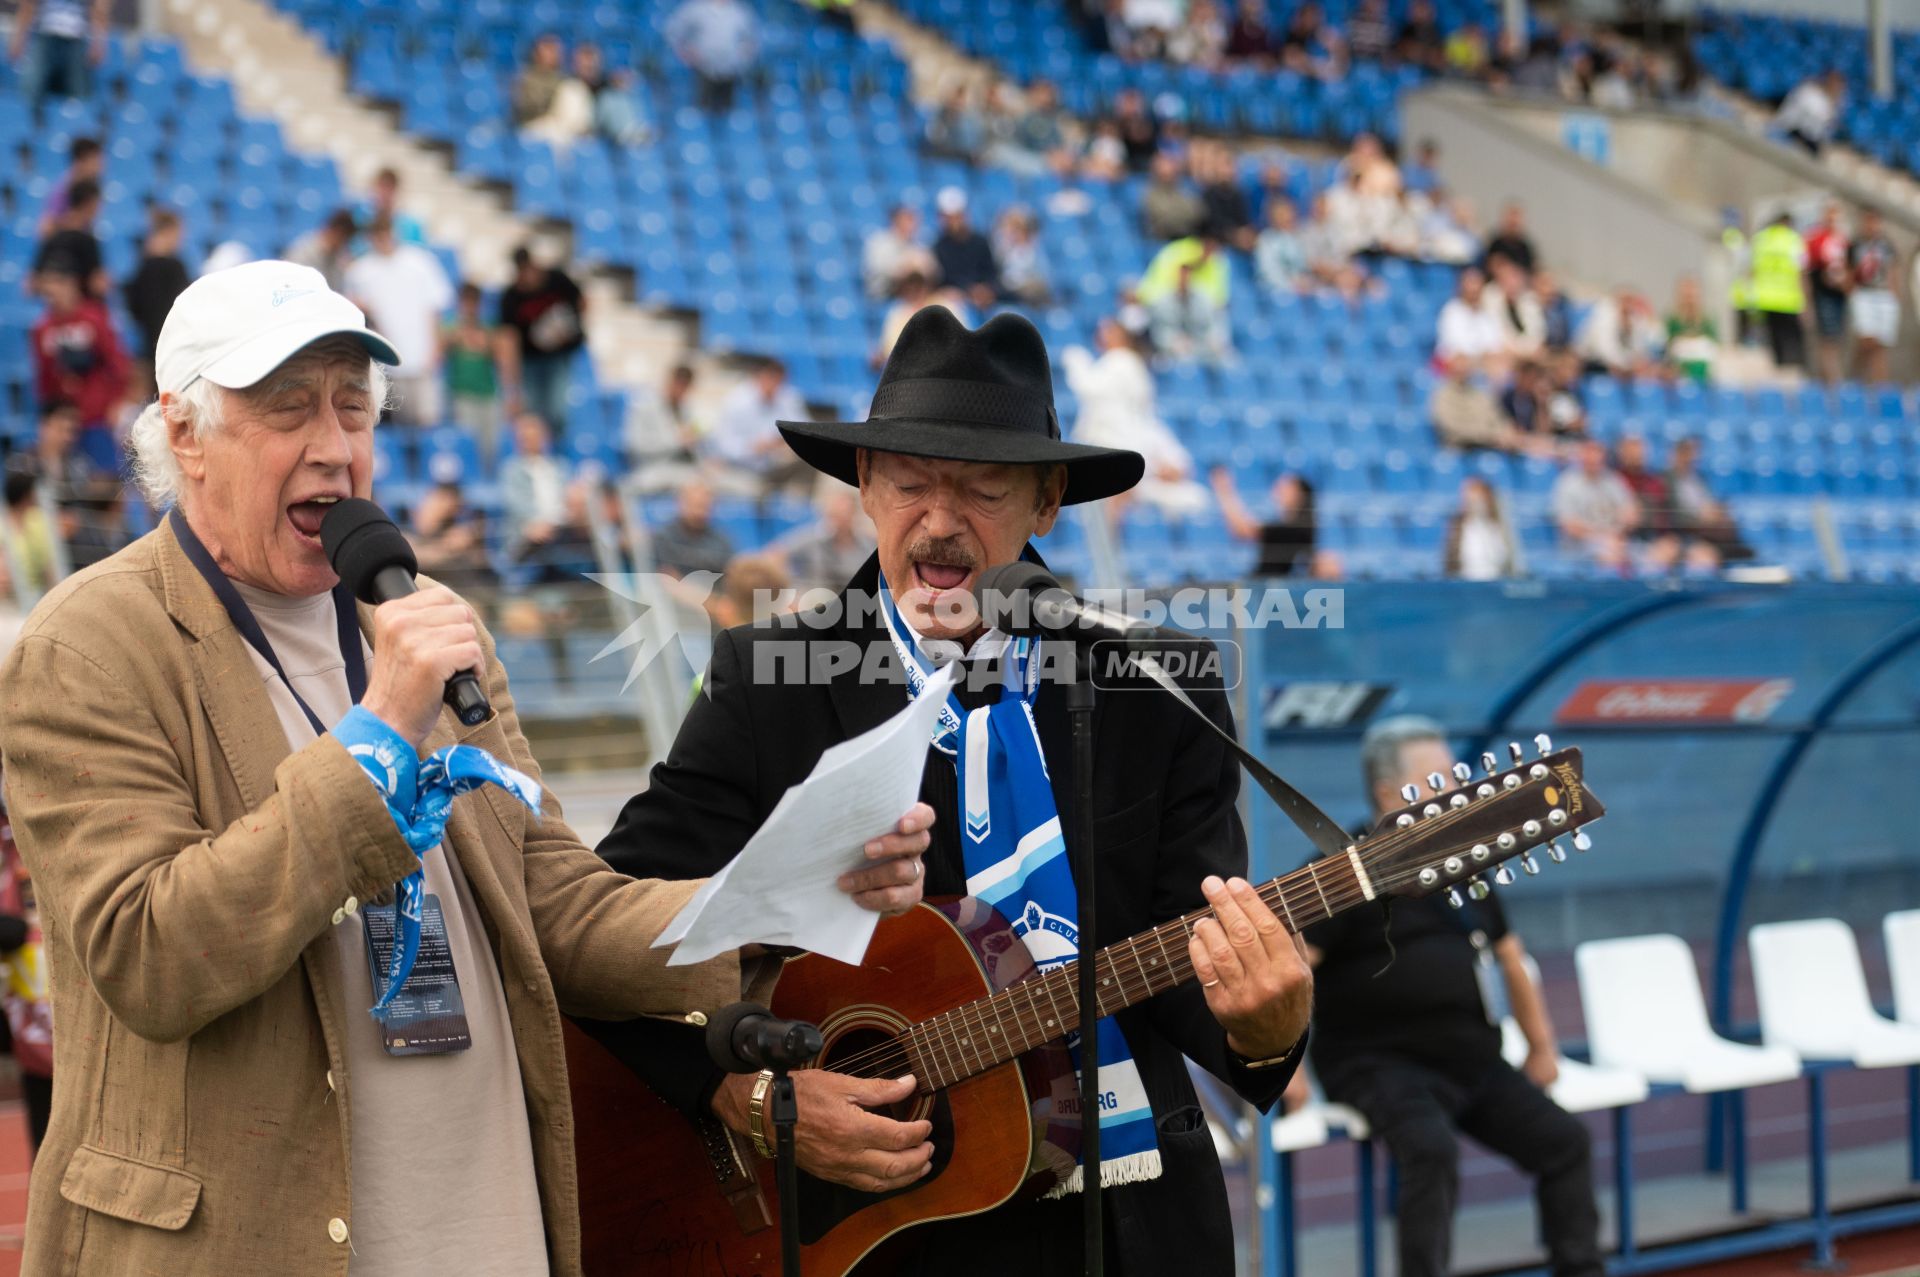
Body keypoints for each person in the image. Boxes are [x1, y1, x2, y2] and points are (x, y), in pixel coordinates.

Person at [0, 258, 931, 1275]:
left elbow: (558, 905)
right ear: (185, 433)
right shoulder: (88, 644)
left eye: (355, 410)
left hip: (488, 1234)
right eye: (287, 410)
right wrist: (381, 732)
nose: (335, 447)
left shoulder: (427, 625)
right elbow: (153, 955)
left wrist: (772, 897)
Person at [591, 305, 1311, 1275]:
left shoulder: (1154, 681)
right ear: (863, 486)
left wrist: (1266, 1027)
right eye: (911, 482)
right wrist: (750, 1099)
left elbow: (1194, 977)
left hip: (1132, 1234)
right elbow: (605, 934)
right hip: (875, 1239)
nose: (939, 522)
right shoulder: (768, 682)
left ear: (1047, 501)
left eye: (980, 488)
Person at [1284, 717, 1602, 1277]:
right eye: (1440, 781)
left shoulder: (1465, 863)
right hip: (1378, 1064)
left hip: (1472, 1060)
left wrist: (1542, 1047)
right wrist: (1290, 1071)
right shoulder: (1341, 874)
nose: (1457, 793)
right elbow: (1291, 971)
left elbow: (1509, 957)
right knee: (1430, 1152)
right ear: (1391, 795)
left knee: (1566, 1143)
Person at [1064, 318, 1210, 518]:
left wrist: (1075, 359)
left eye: (1109, 332)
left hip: (1129, 455)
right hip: (1113, 451)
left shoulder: (1121, 360)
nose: (1102, 336)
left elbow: (1088, 387)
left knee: (1194, 497)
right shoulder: (1121, 366)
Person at [345, 217, 456, 427]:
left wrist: (436, 349)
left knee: (427, 423)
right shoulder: (360, 271)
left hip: (422, 359)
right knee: (393, 425)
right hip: (385, 362)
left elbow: (436, 310)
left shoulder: (421, 263)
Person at [31, 265, 128, 463]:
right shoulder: (42, 328)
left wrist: (117, 400)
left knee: (102, 481)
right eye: (49, 288)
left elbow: (118, 362)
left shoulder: (94, 318)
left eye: (58, 284)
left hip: (96, 415)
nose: (53, 293)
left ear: (72, 285)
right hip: (63, 421)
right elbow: (44, 377)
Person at [496, 246, 587, 436]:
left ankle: (556, 456)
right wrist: (511, 381)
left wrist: (571, 327)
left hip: (558, 357)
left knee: (557, 411)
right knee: (533, 413)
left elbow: (582, 301)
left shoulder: (557, 280)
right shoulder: (511, 297)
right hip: (530, 361)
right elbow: (508, 338)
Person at [706, 357, 810, 493]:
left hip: (773, 466)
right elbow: (724, 445)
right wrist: (752, 448)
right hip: (739, 468)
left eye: (779, 381)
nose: (775, 386)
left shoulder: (787, 396)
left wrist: (781, 441)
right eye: (771, 378)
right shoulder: (737, 402)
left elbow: (804, 428)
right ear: (760, 377)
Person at [1138, 227, 1233, 365]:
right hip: (1169, 341)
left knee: (1226, 359)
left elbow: (1215, 315)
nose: (1185, 277)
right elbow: (1161, 328)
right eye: (1183, 272)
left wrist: (1213, 341)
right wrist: (1173, 342)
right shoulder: (1175, 253)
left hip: (1198, 343)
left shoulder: (1203, 295)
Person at [122, 207, 191, 393]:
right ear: (169, 232)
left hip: (149, 347)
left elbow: (133, 308)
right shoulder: (175, 267)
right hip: (173, 349)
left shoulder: (140, 268)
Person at [1551, 439, 1638, 569]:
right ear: (1582, 457)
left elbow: (1631, 513)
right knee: (1611, 557)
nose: (1594, 459)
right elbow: (1569, 526)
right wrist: (1603, 537)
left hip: (1615, 540)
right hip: (1580, 547)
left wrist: (1618, 532)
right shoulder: (1567, 483)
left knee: (1662, 552)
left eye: (1598, 454)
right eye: (1589, 454)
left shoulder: (1613, 480)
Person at [770, 483, 876, 589]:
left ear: (853, 514)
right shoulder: (810, 538)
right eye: (835, 514)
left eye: (845, 514)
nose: (840, 520)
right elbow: (775, 555)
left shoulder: (867, 544)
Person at [1212, 467, 1316, 575]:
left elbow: (1243, 530)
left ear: (1299, 494)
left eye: (1285, 487)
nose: (1278, 491)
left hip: (1270, 586)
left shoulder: (1295, 529)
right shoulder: (1296, 526)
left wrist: (1224, 490)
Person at [9, 0, 109, 108]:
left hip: (76, 39)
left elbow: (98, 10)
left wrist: (98, 43)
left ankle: (79, 120)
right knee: (31, 85)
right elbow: (28, 6)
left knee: (80, 90)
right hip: (45, 36)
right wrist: (19, 39)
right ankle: (28, 115)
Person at [665, 0, 759, 112]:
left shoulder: (740, 10)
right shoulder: (694, 8)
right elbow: (673, 31)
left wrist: (745, 53)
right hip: (703, 71)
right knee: (701, 112)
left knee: (730, 115)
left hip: (731, 73)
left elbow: (753, 38)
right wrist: (685, 52)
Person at [442, 282, 501, 455]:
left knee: (490, 445)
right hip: (462, 393)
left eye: (473, 302)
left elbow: (495, 352)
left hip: (488, 392)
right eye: (466, 302)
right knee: (467, 444)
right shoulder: (450, 326)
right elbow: (441, 350)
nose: (470, 307)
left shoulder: (490, 326)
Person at [1847, 208, 1900, 383]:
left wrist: (1894, 294)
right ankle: (1856, 379)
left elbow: (1893, 270)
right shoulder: (1856, 245)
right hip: (1864, 293)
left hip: (1883, 294)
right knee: (1866, 340)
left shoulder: (1886, 245)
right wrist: (1851, 291)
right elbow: (1850, 271)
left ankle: (1880, 386)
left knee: (1881, 345)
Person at [30, 176, 105, 299]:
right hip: (83, 312)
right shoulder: (88, 242)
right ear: (89, 204)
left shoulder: (51, 238)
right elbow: (98, 285)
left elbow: (33, 282)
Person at [1750, 211, 1808, 370]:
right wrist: (1805, 300)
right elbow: (1801, 272)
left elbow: (1753, 270)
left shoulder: (1762, 239)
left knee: (1774, 340)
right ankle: (1791, 372)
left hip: (1766, 298)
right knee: (1791, 340)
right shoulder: (1794, 240)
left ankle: (1779, 370)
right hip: (1789, 299)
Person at [931, 187, 1003, 311]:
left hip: (985, 300)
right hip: (957, 301)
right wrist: (966, 292)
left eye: (957, 216)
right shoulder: (938, 247)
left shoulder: (980, 242)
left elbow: (991, 274)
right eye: (949, 217)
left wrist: (986, 290)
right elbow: (942, 281)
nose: (954, 222)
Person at [649, 478, 735, 578]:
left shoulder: (721, 539)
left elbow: (731, 573)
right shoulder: (663, 537)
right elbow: (668, 579)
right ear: (680, 503)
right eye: (694, 505)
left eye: (704, 506)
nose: (699, 512)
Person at [1804, 201, 1850, 384]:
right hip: (1823, 293)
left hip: (1839, 294)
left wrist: (1845, 283)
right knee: (1827, 339)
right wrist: (1807, 299)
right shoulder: (1816, 240)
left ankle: (1830, 377)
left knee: (1836, 338)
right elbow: (1807, 271)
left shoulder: (1843, 240)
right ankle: (1833, 380)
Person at [1576, 288, 1665, 380]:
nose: (1628, 305)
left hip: (1620, 365)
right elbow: (1606, 352)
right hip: (1592, 364)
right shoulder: (1601, 318)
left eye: (1631, 301)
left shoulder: (1633, 320)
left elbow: (1638, 349)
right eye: (1625, 300)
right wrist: (1630, 365)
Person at [1435, 266, 1509, 378]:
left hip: (1484, 364)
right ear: (1461, 286)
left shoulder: (1487, 314)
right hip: (1458, 364)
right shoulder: (1451, 312)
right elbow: (1455, 349)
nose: (1475, 288)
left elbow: (1495, 346)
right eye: (1471, 283)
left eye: (1477, 283)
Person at [1443, 475, 1515, 579]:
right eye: (1469, 497)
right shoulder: (1457, 527)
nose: (1474, 502)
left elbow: (1507, 559)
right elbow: (1449, 563)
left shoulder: (1500, 526)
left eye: (1478, 497)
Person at [863, 204, 938, 301]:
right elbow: (875, 269)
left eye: (913, 220)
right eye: (908, 220)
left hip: (914, 294)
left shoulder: (919, 244)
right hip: (885, 295)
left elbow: (933, 270)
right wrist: (904, 267)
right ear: (896, 221)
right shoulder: (879, 242)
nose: (912, 225)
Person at [36, 135, 103, 238]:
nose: (100, 166)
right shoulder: (63, 190)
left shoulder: (91, 187)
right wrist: (73, 222)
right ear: (80, 160)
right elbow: (45, 229)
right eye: (96, 160)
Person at [284, 208, 359, 293]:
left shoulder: (338, 259)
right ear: (337, 232)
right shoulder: (303, 250)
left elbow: (337, 291)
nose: (344, 244)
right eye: (344, 238)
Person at [1774, 69, 1844, 156]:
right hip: (1786, 132)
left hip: (1805, 141)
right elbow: (1792, 120)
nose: (1836, 89)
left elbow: (1821, 135)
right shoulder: (1809, 91)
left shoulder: (1832, 107)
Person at [992, 205, 1052, 306]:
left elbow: (1043, 276)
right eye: (1008, 229)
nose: (1012, 233)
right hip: (1006, 291)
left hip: (1028, 290)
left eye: (1016, 229)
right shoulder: (1001, 248)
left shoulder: (1035, 248)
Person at [1664, 276, 1720, 384]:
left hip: (1704, 368)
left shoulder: (1707, 319)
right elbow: (1668, 346)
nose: (1689, 298)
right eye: (1686, 295)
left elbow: (1713, 345)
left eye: (1692, 294)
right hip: (1679, 369)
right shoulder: (1672, 319)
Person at [1142, 151, 1206, 242]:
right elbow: (1166, 220)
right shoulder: (1151, 194)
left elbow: (1198, 212)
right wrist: (1182, 214)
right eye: (1164, 167)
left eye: (1171, 166)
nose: (1170, 171)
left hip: (1188, 239)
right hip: (1163, 242)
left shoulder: (1184, 189)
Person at [512, 33, 569, 127]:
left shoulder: (564, 78)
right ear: (536, 52)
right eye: (548, 48)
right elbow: (528, 108)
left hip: (560, 127)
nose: (553, 53)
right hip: (532, 126)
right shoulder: (526, 77)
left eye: (555, 49)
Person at [1255, 197, 1310, 295]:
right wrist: (1291, 285)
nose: (1287, 217)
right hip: (1274, 291)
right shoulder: (1266, 240)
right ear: (1273, 217)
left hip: (1300, 288)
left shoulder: (1297, 237)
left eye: (1289, 213)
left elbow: (1302, 267)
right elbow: (1269, 273)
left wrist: (1304, 281)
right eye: (1281, 214)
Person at [1482, 201, 1537, 276]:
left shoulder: (1525, 247)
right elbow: (1487, 267)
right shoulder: (1495, 244)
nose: (1513, 224)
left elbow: (1531, 270)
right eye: (1511, 221)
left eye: (1515, 223)